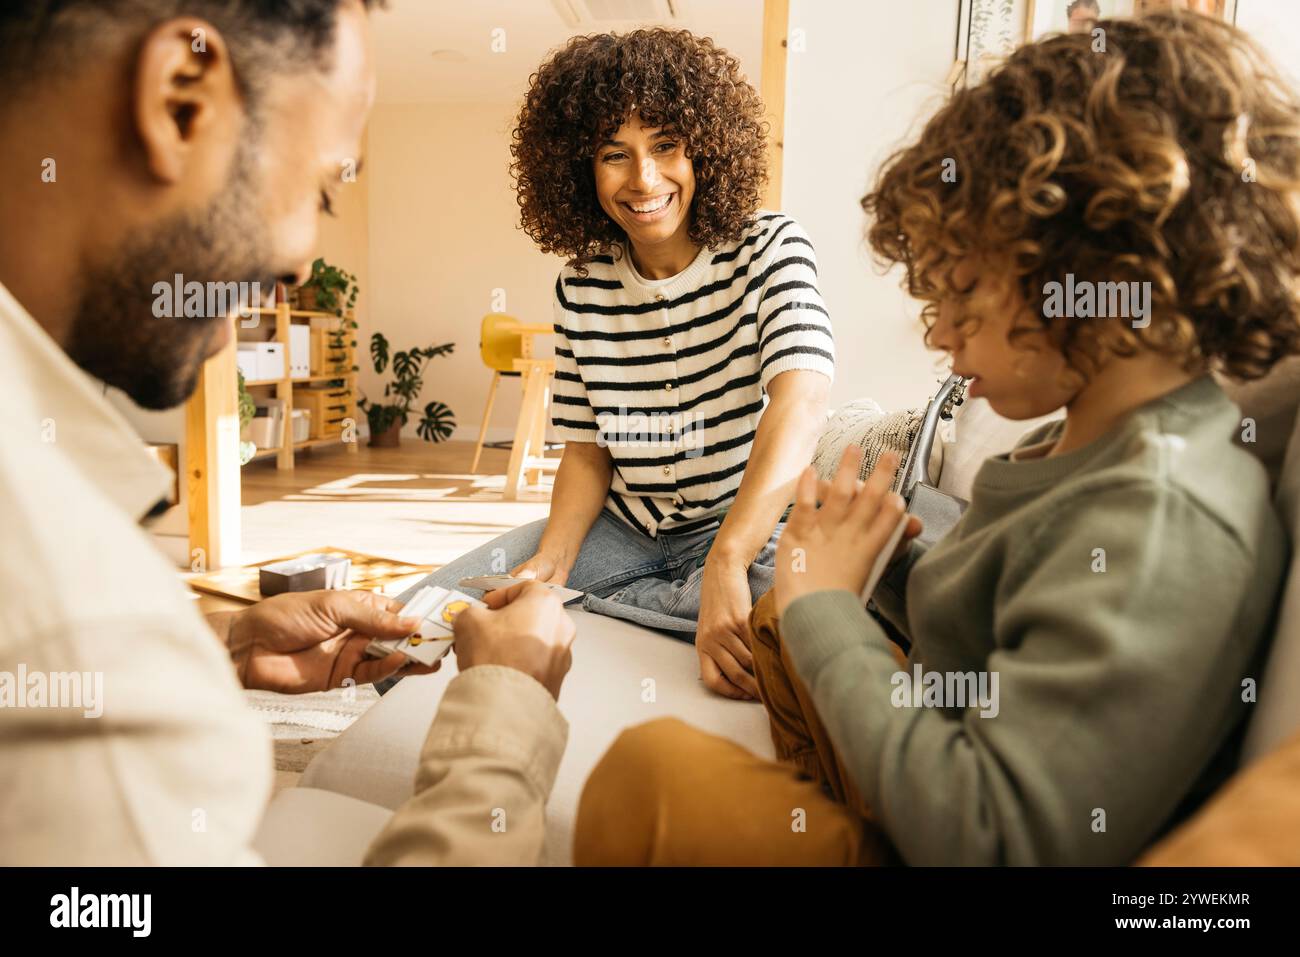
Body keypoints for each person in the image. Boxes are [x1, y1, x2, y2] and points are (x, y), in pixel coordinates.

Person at [573, 11, 1299, 866]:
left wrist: (830, 606)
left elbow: (992, 833)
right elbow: (992, 617)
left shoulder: (1164, 516)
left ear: (1095, 278)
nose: (938, 334)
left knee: (651, 773)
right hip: (918, 747)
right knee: (768, 620)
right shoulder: (1081, 445)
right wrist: (878, 565)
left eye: (962, 293)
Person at [0, 0, 573, 866]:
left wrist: (223, 648)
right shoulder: (67, 611)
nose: (305, 262)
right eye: (322, 189)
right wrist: (505, 710)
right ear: (180, 102)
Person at [394, 29, 835, 700]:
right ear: (580, 170)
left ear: (705, 148)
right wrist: (554, 559)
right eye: (613, 155)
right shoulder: (582, 285)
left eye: (665, 145)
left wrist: (728, 559)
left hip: (749, 528)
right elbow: (588, 451)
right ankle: (647, 602)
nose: (644, 179)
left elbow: (800, 402)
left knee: (804, 642)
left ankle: (665, 602)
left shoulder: (770, 245)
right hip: (625, 532)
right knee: (413, 627)